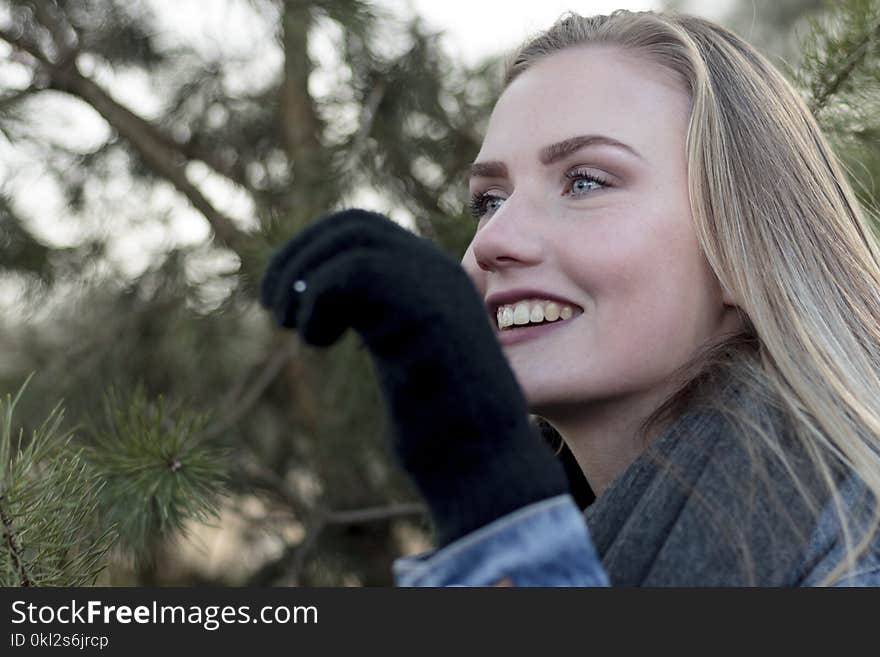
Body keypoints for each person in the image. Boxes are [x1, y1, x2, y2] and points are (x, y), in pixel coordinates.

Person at [260, 9, 880, 586]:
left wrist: (493, 510)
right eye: (488, 201)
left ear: (746, 248)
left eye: (585, 181)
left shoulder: (856, 548)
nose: (492, 240)